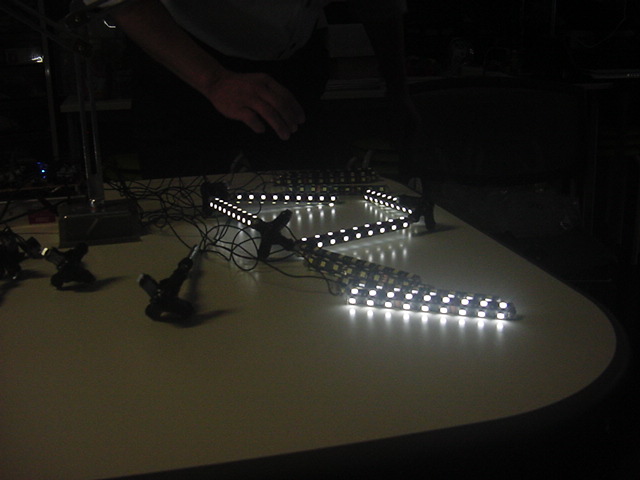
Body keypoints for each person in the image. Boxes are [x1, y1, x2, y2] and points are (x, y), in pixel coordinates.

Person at [85, 0, 419, 177]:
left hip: (296, 58)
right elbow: (125, 2)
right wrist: (214, 80)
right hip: (183, 60)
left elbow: (380, 7)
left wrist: (398, 91)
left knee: (304, 191)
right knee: (184, 199)